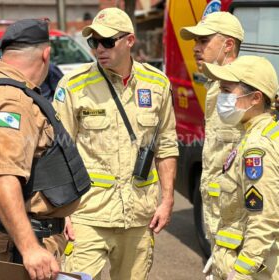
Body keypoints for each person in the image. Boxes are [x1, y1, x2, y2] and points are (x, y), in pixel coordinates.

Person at [53, 7, 178, 280]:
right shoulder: (73, 86)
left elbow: (167, 145)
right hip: (87, 216)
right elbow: (58, 152)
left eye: (108, 41)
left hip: (138, 215)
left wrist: (167, 199)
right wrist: (62, 213)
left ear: (130, 41)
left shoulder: (157, 84)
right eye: (94, 42)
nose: (99, 48)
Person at [0, 19, 90, 280]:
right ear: (46, 54)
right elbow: (4, 176)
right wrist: (29, 248)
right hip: (19, 248)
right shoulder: (14, 100)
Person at [202, 55, 279, 279]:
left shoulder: (257, 148)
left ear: (255, 98)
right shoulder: (255, 133)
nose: (221, 98)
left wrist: (240, 272)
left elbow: (264, 219)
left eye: (227, 90)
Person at [179, 10, 244, 269]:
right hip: (220, 219)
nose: (196, 48)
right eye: (196, 42)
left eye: (204, 41)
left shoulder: (243, 90)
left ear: (228, 45)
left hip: (242, 221)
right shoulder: (217, 86)